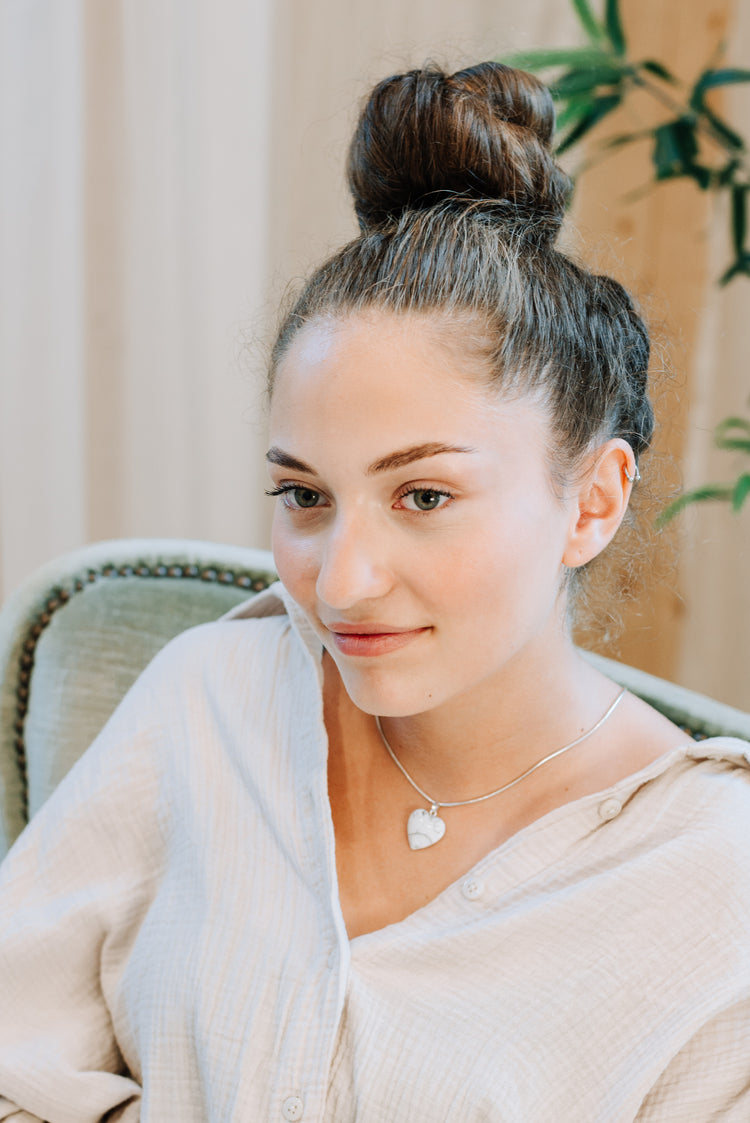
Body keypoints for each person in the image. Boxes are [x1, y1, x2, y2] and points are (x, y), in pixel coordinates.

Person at [1, 61, 749, 1123]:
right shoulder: (209, 703)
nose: (339, 580)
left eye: (426, 493)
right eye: (304, 494)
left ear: (592, 500)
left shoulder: (716, 891)